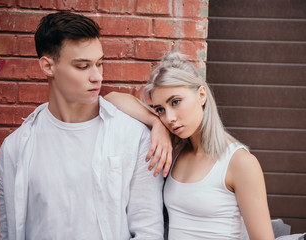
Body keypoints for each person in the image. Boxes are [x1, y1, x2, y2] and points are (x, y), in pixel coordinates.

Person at [0, 11, 171, 240]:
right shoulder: (15, 148)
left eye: (99, 63)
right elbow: (10, 231)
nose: (97, 76)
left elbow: (148, 230)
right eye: (82, 66)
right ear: (48, 66)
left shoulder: (134, 137)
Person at [105, 52, 275, 239]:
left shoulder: (239, 162)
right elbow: (112, 98)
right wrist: (155, 123)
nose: (169, 118)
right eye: (160, 109)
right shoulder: (176, 150)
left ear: (201, 95)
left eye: (176, 102)